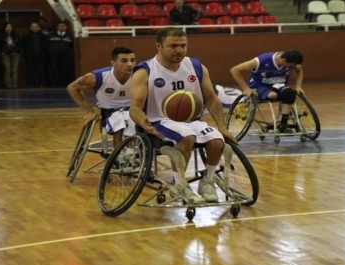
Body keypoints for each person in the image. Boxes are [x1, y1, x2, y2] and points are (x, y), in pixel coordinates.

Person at [129, 27, 236, 203]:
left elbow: (211, 99)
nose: (179, 50)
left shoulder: (196, 67)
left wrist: (222, 127)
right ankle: (180, 186)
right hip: (158, 121)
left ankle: (207, 181)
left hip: (191, 121)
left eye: (183, 45)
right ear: (159, 46)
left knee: (217, 141)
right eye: (173, 46)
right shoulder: (145, 71)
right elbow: (134, 107)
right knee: (187, 137)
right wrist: (145, 124)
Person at [67, 47, 137, 150]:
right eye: (124, 61)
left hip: (133, 109)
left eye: (132, 60)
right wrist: (88, 111)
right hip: (109, 112)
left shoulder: (140, 75)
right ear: (113, 63)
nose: (130, 64)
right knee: (120, 119)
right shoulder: (99, 76)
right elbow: (72, 87)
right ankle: (118, 156)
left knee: (132, 118)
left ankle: (132, 153)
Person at [229, 49, 304, 133]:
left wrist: (298, 86)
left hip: (278, 85)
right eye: (290, 66)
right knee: (273, 95)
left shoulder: (290, 61)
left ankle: (283, 124)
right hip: (259, 86)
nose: (291, 68)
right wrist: (245, 88)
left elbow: (299, 70)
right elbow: (234, 70)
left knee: (290, 93)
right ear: (284, 60)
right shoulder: (261, 61)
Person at [21, 21, 49, 88]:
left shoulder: (44, 37)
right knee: (30, 71)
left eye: (36, 27)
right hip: (30, 57)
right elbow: (23, 47)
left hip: (41, 56)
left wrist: (44, 55)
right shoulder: (25, 37)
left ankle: (42, 84)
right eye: (33, 27)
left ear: (39, 28)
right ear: (30, 28)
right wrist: (25, 56)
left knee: (41, 71)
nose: (34, 28)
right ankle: (31, 84)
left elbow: (46, 47)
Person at [48, 21, 74, 87]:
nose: (61, 27)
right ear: (57, 27)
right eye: (60, 26)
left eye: (63, 26)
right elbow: (47, 45)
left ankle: (64, 85)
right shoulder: (51, 35)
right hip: (54, 56)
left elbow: (72, 46)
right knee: (55, 69)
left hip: (65, 56)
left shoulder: (70, 35)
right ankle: (55, 85)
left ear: (66, 27)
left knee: (65, 70)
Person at [0, 22, 20, 89]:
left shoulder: (16, 35)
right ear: (4, 28)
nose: (9, 28)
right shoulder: (1, 36)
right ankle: (8, 84)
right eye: (7, 27)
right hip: (5, 54)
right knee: (7, 69)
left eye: (10, 26)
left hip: (15, 54)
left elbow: (19, 45)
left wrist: (19, 52)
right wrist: (0, 53)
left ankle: (14, 84)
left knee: (14, 70)